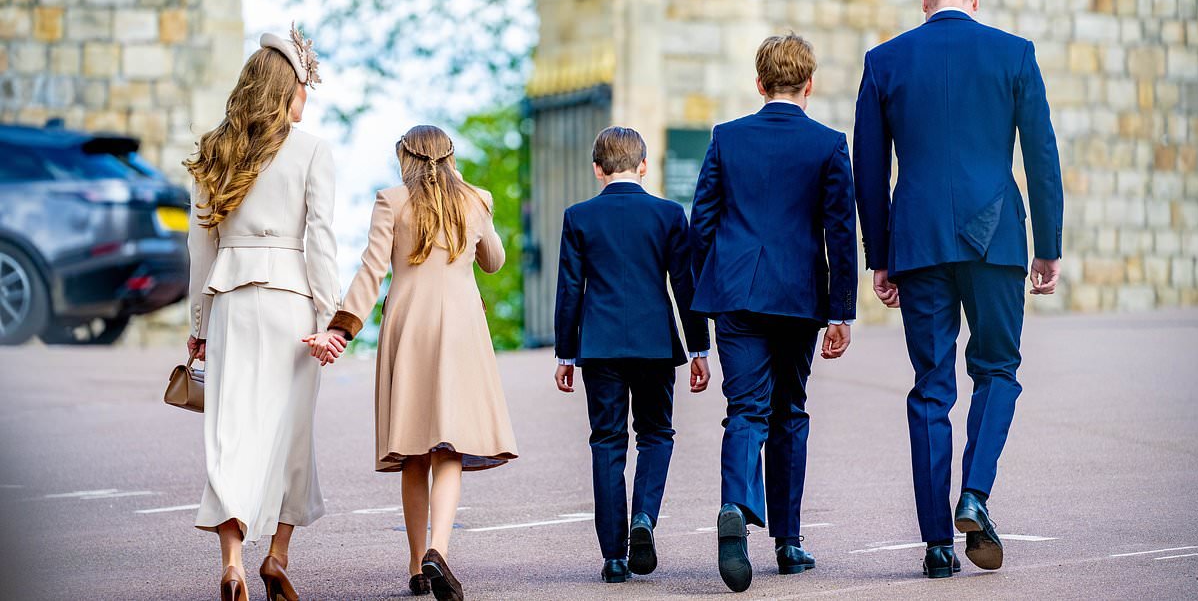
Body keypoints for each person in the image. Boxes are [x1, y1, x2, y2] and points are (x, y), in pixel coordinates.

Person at [852, 0, 1064, 579]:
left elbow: (869, 167)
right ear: (974, 0)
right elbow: (1041, 154)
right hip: (996, 238)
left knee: (931, 387)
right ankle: (974, 494)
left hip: (917, 242)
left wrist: (881, 257)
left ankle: (936, 545)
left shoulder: (884, 61)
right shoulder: (1014, 54)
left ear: (925, 4)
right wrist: (1046, 245)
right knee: (997, 369)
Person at [305, 125, 518, 601]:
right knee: (450, 447)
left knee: (414, 450)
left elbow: (372, 268)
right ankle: (438, 550)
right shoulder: (475, 199)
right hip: (462, 329)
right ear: (450, 157)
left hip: (409, 329)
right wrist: (475, 205)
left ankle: (416, 563)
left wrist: (342, 326)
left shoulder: (391, 199)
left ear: (404, 157)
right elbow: (494, 261)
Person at [690, 33, 858, 593]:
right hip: (798, 296)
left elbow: (702, 225)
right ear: (810, 85)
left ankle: (736, 502)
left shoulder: (726, 138)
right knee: (790, 411)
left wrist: (705, 289)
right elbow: (840, 232)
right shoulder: (829, 144)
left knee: (745, 410)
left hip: (735, 293)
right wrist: (842, 312)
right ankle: (788, 542)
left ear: (758, 85)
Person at [185, 24, 341, 601]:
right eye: (303, 89)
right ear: (285, 91)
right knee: (290, 434)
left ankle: (233, 564)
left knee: (230, 431)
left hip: (229, 300)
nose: (308, 100)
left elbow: (200, 250)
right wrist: (330, 320)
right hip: (292, 305)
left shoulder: (213, 149)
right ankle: (276, 555)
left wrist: (196, 330)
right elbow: (321, 245)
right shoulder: (313, 151)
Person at [552, 126, 712, 584]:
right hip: (655, 343)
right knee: (657, 434)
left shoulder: (578, 216)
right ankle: (644, 517)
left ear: (597, 169)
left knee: (606, 442)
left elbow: (570, 290)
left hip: (599, 346)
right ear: (644, 165)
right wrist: (698, 346)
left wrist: (566, 354)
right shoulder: (667, 214)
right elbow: (685, 285)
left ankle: (613, 556)